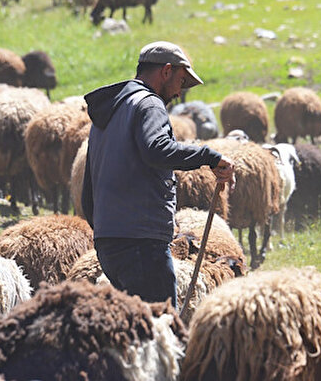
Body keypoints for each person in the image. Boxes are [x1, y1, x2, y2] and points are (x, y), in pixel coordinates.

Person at [81, 41, 235, 308]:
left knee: (135, 331)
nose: (179, 92)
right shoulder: (149, 105)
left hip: (110, 243)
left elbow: (88, 189)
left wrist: (107, 230)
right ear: (166, 71)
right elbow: (157, 150)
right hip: (141, 243)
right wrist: (208, 156)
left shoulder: (110, 111)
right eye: (181, 81)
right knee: (161, 330)